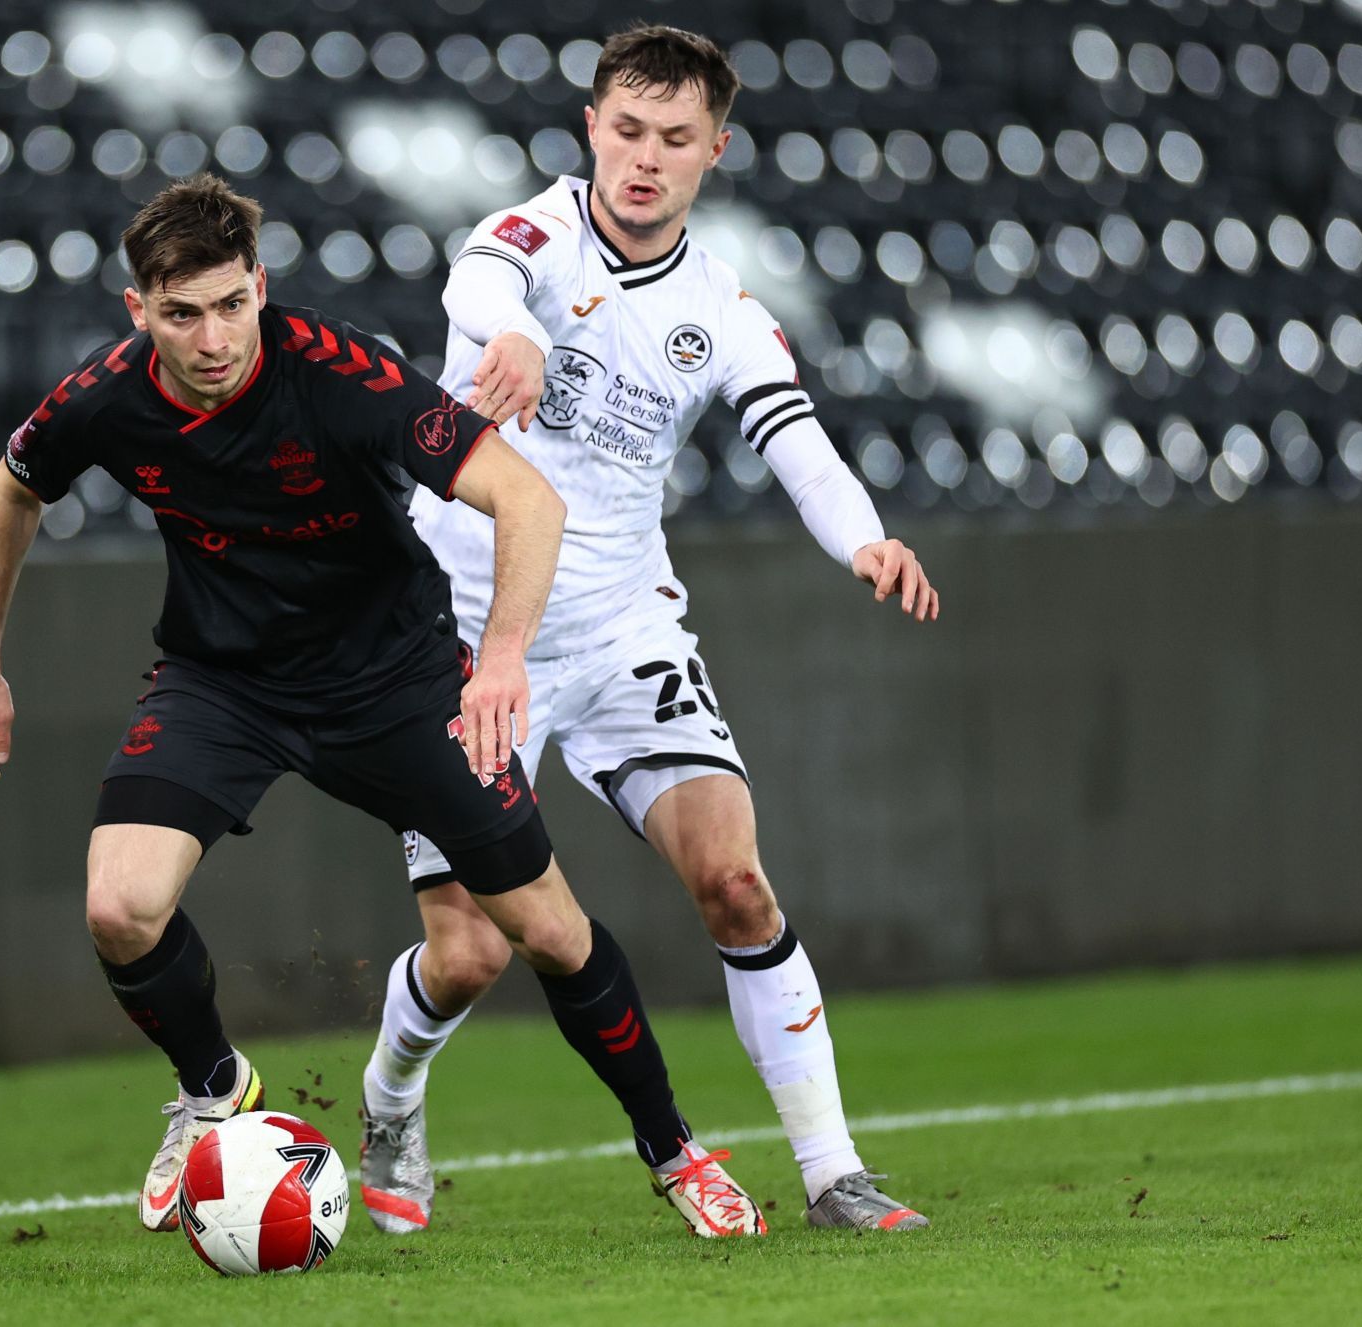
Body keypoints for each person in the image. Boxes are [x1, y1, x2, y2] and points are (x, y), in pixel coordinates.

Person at [0, 174, 766, 1240]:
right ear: (137, 310)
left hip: (396, 682)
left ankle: (672, 1149)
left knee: (548, 934)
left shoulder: (340, 376)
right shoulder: (105, 396)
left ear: (261, 287)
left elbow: (528, 495)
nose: (212, 337)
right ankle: (212, 1086)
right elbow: (15, 484)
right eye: (183, 312)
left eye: (233, 303)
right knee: (119, 906)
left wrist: (500, 657)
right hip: (223, 682)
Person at [357, 25, 939, 1235]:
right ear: (590, 127)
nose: (644, 158)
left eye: (675, 139)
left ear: (714, 151)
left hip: (622, 623)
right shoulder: (526, 237)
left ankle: (833, 1172)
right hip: (460, 635)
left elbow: (797, 438)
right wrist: (512, 331)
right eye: (626, 129)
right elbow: (478, 283)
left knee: (734, 881)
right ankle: (392, 1091)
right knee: (470, 955)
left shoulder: (723, 309)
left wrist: (866, 538)